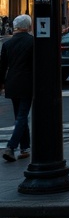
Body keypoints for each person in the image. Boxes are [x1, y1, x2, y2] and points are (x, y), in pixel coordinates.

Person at [0, 14, 33, 161]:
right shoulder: (33, 42)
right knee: (22, 116)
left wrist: (1, 84)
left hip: (12, 83)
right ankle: (11, 146)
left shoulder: (7, 44)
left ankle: (24, 147)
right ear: (28, 26)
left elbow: (2, 67)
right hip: (27, 82)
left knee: (19, 116)